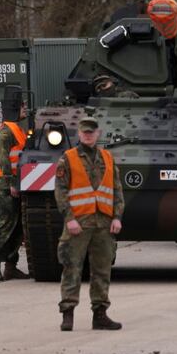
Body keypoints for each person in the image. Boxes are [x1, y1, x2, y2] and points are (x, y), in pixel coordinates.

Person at [54, 116, 125, 331]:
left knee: (102, 269)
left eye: (91, 132)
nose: (88, 135)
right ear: (79, 134)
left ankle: (100, 314)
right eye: (84, 132)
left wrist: (117, 217)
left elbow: (117, 190)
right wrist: (70, 219)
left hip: (103, 223)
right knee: (72, 268)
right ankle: (68, 314)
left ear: (98, 134)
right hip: (78, 223)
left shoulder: (107, 158)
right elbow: (61, 191)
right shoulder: (68, 158)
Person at [0, 101, 30, 281]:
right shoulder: (5, 132)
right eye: (22, 107)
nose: (25, 110)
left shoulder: (18, 130)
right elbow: (5, 161)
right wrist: (12, 182)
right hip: (6, 185)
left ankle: (11, 267)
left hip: (16, 183)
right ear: (14, 109)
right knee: (7, 226)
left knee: (18, 227)